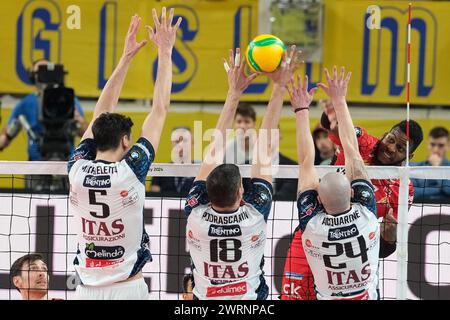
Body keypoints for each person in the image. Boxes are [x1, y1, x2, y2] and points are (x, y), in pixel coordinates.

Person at [67, 9, 181, 299]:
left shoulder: (76, 168)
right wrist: (165, 52)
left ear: (94, 138)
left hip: (85, 289)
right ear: (126, 142)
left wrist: (125, 58)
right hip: (128, 288)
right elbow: (160, 110)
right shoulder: (131, 170)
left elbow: (99, 114)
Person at [184, 46, 300, 300]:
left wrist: (233, 94)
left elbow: (211, 154)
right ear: (241, 191)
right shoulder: (254, 214)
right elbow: (265, 150)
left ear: (207, 192)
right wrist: (280, 87)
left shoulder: (195, 214)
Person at [290, 67, 380, 299]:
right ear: (352, 193)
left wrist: (301, 110)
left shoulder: (312, 227)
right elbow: (353, 153)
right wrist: (339, 101)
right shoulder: (367, 217)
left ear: (319, 199)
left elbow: (306, 163)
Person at [0, 59, 87, 159]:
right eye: (41, 72)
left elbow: (87, 134)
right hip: (36, 167)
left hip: (65, 165)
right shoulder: (25, 104)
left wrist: (78, 121)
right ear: (33, 77)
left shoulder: (68, 99)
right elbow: (4, 139)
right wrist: (9, 133)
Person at [150, 126, 196, 197]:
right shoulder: (160, 171)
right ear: (172, 144)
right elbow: (155, 199)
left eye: (185, 141)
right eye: (177, 141)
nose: (180, 145)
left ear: (192, 143)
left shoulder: (200, 172)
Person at [411, 127, 450, 203]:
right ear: (427, 144)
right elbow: (411, 192)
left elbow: (448, 190)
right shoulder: (414, 168)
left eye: (441, 145)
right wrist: (440, 190)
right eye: (432, 144)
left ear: (448, 146)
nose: (436, 149)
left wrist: (437, 167)